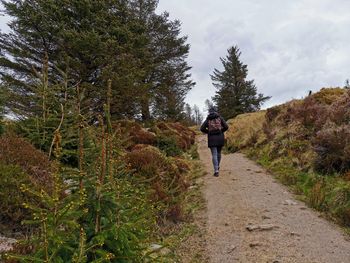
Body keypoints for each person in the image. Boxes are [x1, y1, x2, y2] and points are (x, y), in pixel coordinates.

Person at [200, 106, 229, 177]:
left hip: (212, 138)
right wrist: (221, 131)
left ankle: (216, 170)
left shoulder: (208, 119)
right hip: (220, 137)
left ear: (209, 112)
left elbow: (202, 128)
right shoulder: (220, 118)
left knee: (214, 154)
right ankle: (217, 166)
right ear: (216, 111)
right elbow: (226, 126)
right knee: (219, 153)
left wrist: (208, 132)